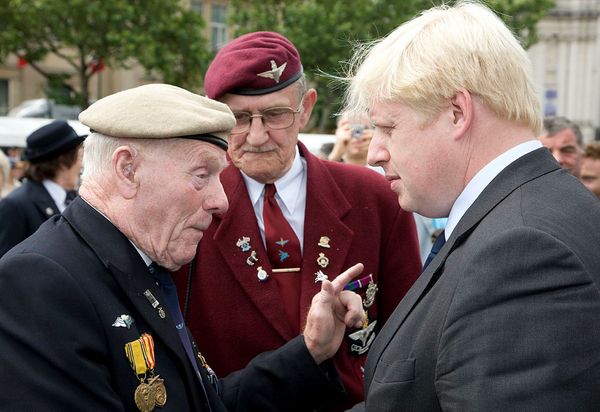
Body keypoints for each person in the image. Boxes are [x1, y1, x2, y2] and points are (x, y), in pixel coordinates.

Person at [0, 83, 367, 411]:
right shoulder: (39, 282)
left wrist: (312, 349)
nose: (220, 200)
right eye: (202, 175)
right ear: (127, 169)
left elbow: (206, 401)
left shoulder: (138, 267)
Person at [344, 1, 600, 410]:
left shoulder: (521, 252)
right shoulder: (528, 213)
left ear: (457, 112)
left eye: (389, 127)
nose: (374, 152)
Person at [174, 31, 422, 409]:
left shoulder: (373, 198)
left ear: (305, 108)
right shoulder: (186, 206)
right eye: (239, 118)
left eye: (275, 115)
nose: (257, 137)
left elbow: (411, 338)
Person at [0, 120, 85, 257]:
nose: (81, 165)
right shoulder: (15, 205)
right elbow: (6, 267)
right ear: (63, 161)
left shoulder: (73, 197)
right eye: (79, 157)